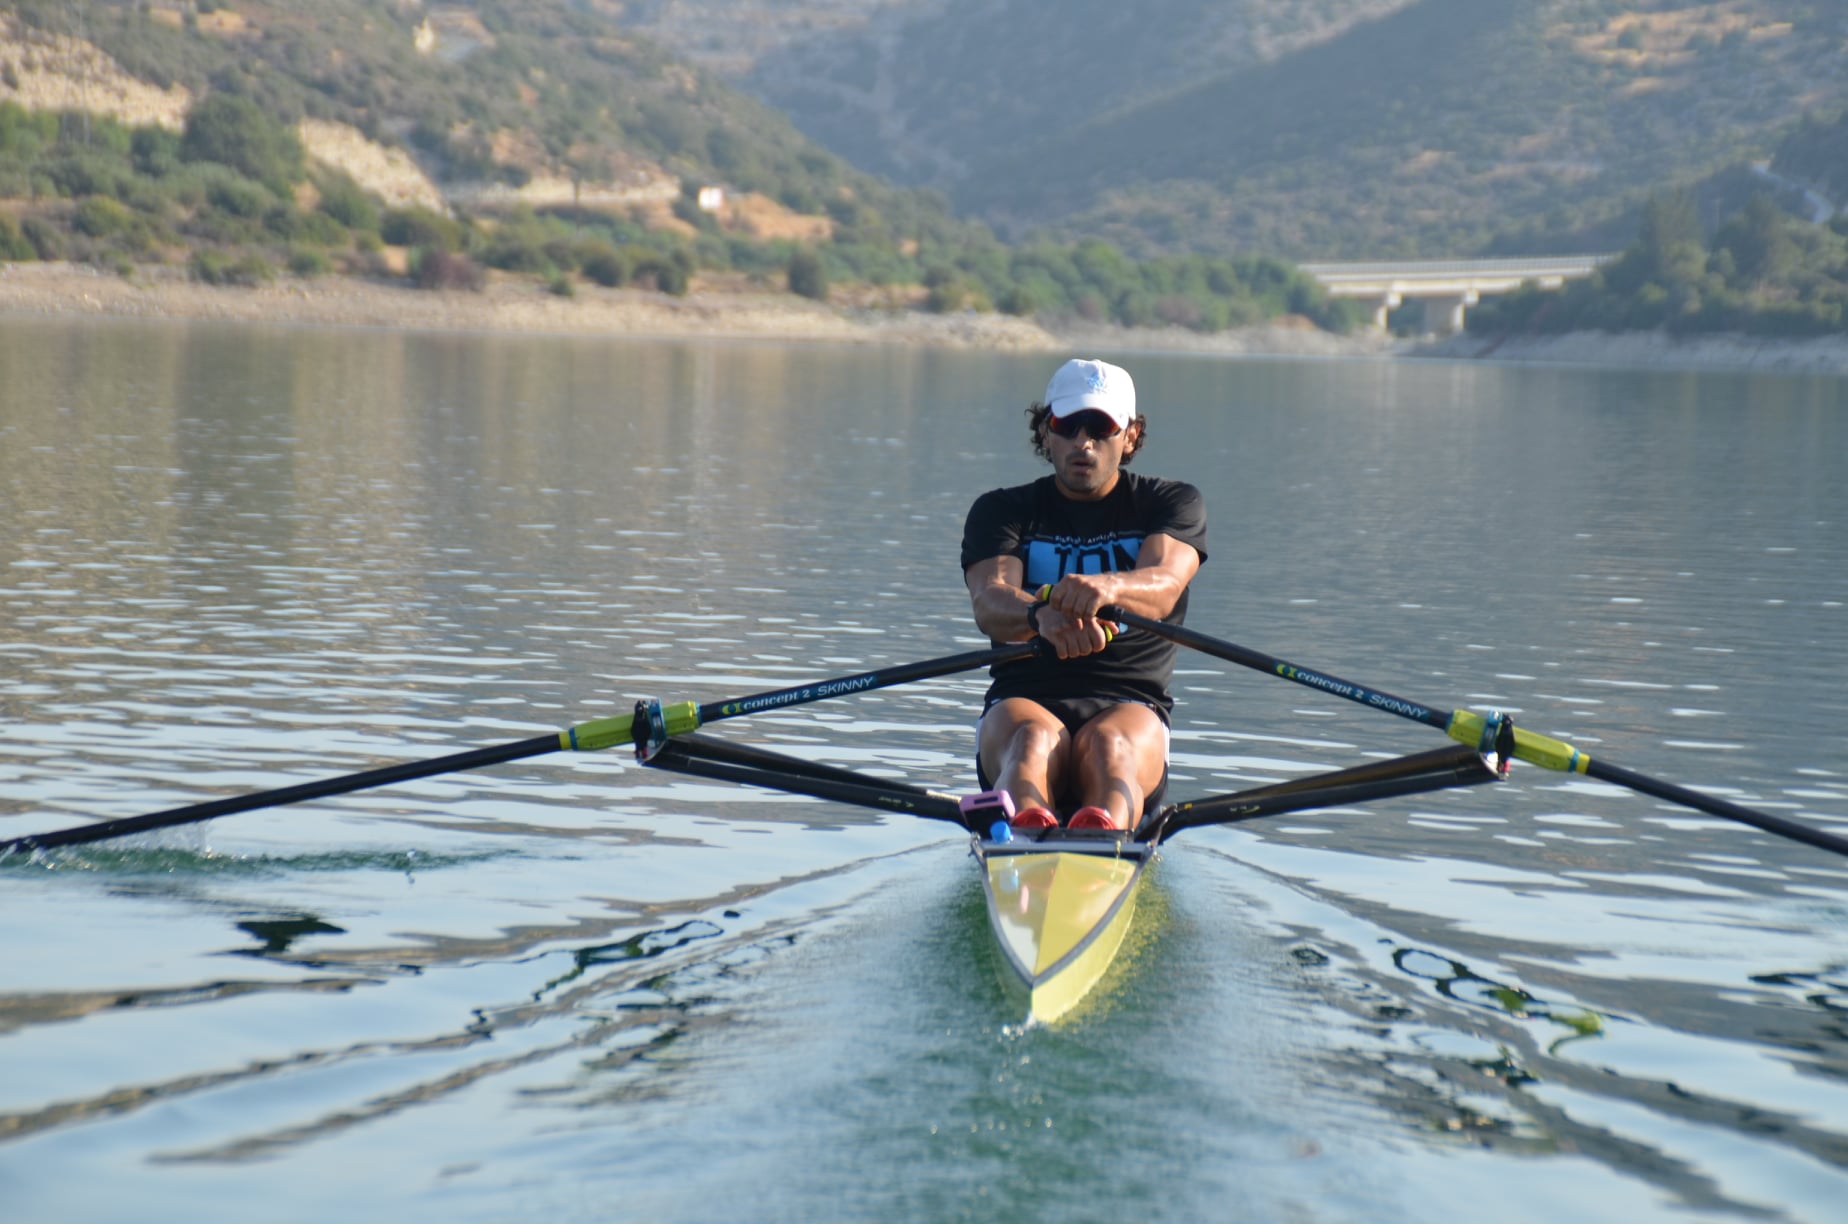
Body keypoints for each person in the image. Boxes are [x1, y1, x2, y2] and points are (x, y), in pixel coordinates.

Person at [961, 358, 1207, 831]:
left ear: (1130, 436)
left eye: (1101, 426)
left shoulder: (1171, 503)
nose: (1083, 442)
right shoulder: (1002, 511)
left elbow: (1163, 586)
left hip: (1130, 702)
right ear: (1045, 432)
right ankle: (1029, 842)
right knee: (1032, 740)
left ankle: (1098, 843)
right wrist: (1040, 616)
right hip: (1023, 699)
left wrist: (1103, 587)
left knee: (1109, 749)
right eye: (1067, 424)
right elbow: (990, 601)